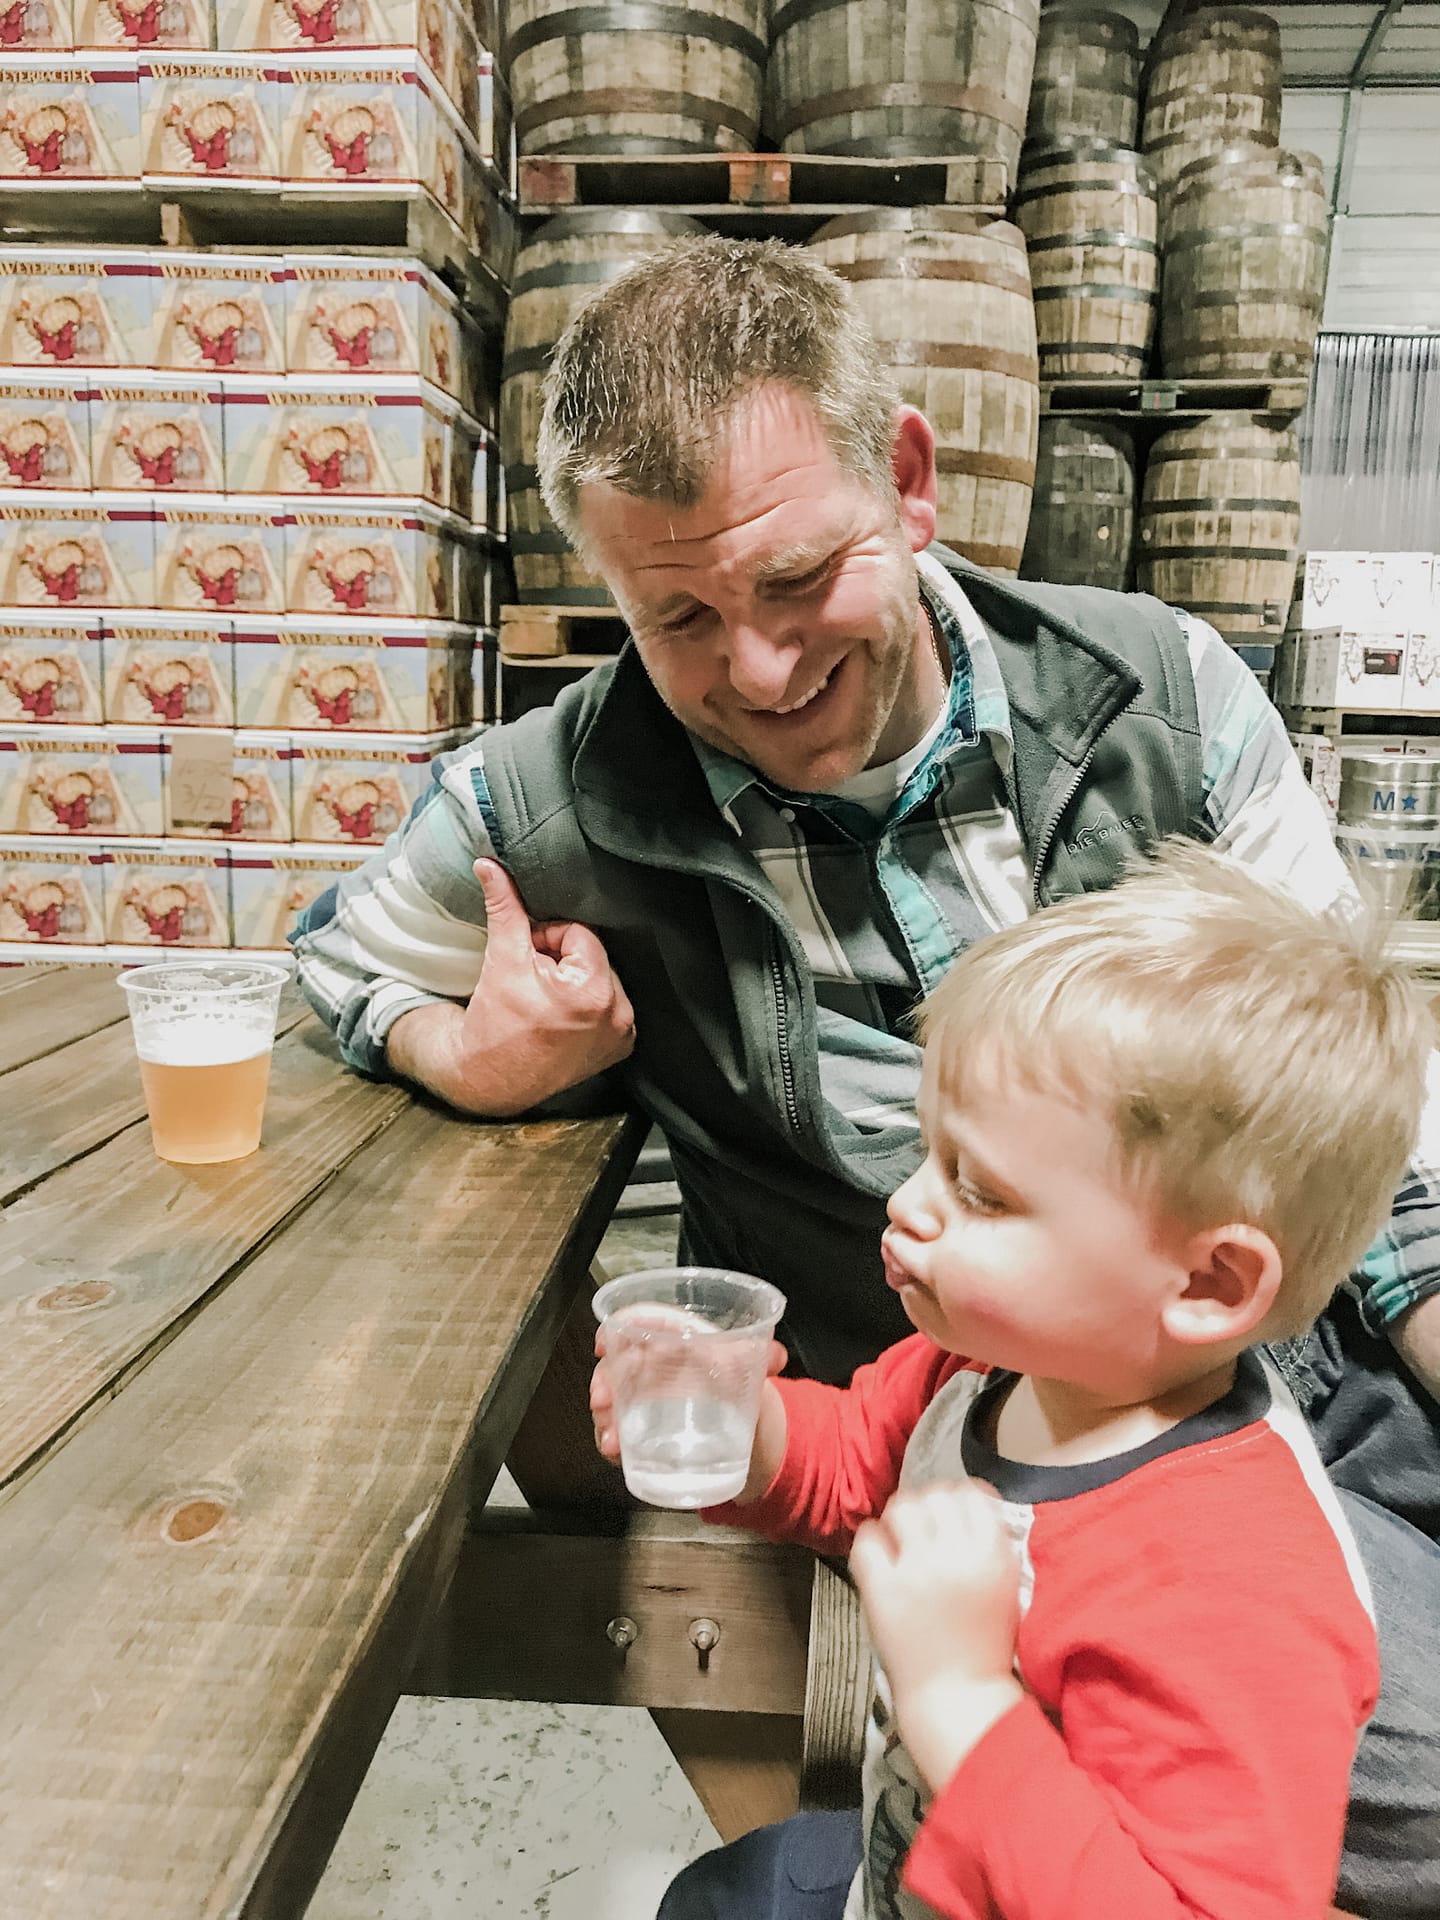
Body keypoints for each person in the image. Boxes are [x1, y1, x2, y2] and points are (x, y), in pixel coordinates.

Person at [289, 236, 1440, 1892]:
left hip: (1262, 1373)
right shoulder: (542, 800)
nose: (757, 672)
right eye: (676, 613)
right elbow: (330, 964)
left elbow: (1372, 1123)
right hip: (944, 1405)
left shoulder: (1162, 702)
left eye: (795, 579)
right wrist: (459, 1050)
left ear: (906, 483)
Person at [587, 846, 1427, 1919]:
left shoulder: (1232, 1594)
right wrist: (739, 1424)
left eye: (979, 1192)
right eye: (929, 1153)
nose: (910, 1206)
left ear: (1210, 1282)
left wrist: (960, 1697)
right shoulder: (996, 1370)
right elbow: (862, 1455)